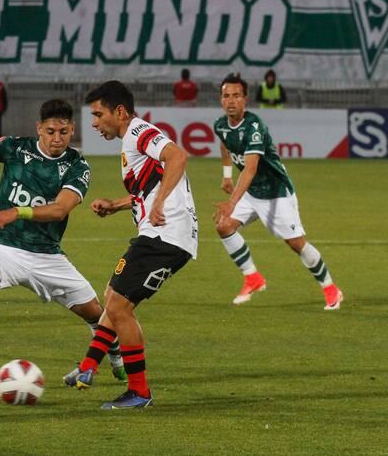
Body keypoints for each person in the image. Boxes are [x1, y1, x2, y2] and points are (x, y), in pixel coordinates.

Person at [0, 99, 124, 385]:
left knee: (97, 314)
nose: (57, 139)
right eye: (51, 131)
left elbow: (60, 209)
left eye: (64, 132)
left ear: (72, 131)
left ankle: (116, 359)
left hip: (47, 256)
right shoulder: (14, 147)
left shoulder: (77, 165)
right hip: (3, 247)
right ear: (39, 129)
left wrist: (18, 211)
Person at [65, 81, 197, 410]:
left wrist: (160, 203)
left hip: (164, 235)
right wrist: (117, 205)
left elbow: (178, 156)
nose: (94, 122)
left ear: (120, 112)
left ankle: (139, 392)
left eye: (98, 114)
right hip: (162, 235)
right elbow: (149, 187)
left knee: (119, 305)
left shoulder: (138, 130)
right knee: (114, 297)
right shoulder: (131, 143)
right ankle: (88, 367)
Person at [212, 73, 344, 310]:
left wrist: (232, 201)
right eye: (226, 96)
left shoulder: (255, 127)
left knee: (296, 244)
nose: (230, 100)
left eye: (236, 96)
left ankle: (331, 288)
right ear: (221, 100)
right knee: (224, 226)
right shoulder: (220, 125)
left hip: (276, 192)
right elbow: (225, 143)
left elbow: (250, 168)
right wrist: (226, 175)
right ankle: (252, 277)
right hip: (252, 192)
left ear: (245, 99)